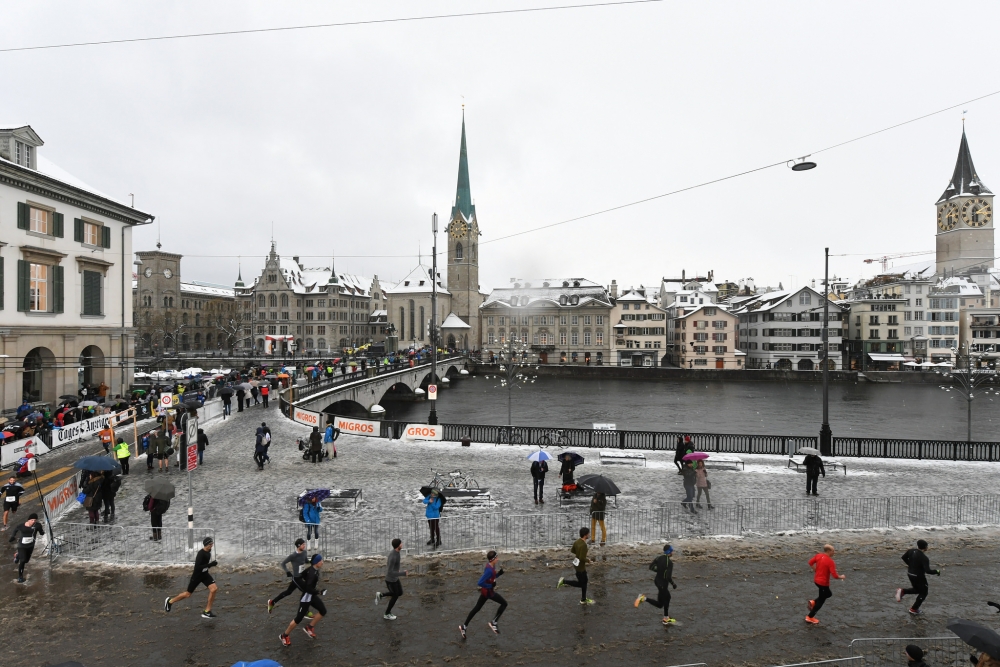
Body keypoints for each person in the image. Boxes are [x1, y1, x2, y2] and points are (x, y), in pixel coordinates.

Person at [279, 554, 326, 646]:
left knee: (323, 611)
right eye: (321, 560)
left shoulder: (312, 570)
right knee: (298, 619)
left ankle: (309, 627)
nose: (322, 562)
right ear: (316, 563)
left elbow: (301, 576)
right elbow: (308, 588)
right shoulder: (312, 573)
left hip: (311, 596)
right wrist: (319, 592)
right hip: (306, 599)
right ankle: (284, 635)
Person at [165, 537, 219, 618]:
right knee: (187, 594)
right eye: (210, 544)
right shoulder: (201, 554)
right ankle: (170, 601)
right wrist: (210, 565)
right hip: (197, 576)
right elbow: (197, 567)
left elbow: (204, 567)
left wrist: (209, 566)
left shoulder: (209, 552)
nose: (212, 545)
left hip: (204, 575)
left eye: (212, 543)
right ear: (206, 545)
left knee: (214, 589)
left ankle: (207, 611)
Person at [458, 550, 507, 638]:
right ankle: (494, 623)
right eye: (496, 558)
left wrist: (499, 574)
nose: (498, 559)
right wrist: (490, 585)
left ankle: (464, 626)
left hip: (485, 591)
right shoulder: (489, 570)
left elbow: (492, 577)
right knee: (504, 603)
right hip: (488, 592)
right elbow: (480, 582)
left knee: (477, 608)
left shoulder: (491, 565)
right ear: (492, 559)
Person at [634, 544, 678, 625]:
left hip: (657, 581)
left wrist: (658, 570)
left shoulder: (659, 558)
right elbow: (668, 576)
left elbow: (651, 567)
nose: (673, 552)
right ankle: (643, 599)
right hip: (663, 584)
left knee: (667, 597)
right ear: (669, 552)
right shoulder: (670, 563)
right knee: (660, 604)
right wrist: (673, 584)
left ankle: (666, 617)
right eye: (672, 551)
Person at [895, 539, 940, 615]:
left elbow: (903, 557)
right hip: (918, 576)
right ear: (925, 547)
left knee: (917, 590)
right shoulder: (924, 558)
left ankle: (903, 591)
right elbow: (927, 571)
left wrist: (911, 565)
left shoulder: (911, 551)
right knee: (924, 592)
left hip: (910, 574)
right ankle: (914, 609)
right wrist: (936, 571)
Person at [806, 543, 845, 625]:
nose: (834, 552)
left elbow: (810, 562)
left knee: (828, 594)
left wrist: (815, 569)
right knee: (821, 600)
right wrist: (841, 577)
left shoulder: (818, 556)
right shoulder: (830, 562)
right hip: (823, 583)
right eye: (833, 551)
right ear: (828, 551)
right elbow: (834, 576)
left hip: (816, 581)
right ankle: (810, 617)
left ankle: (813, 602)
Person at [268, 538, 310, 613]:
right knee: (306, 592)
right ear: (299, 545)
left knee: (288, 592)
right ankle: (305, 611)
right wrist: (287, 572)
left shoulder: (304, 553)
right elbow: (283, 563)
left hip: (302, 576)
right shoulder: (293, 556)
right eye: (303, 544)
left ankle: (272, 602)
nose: (305, 546)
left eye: (305, 544)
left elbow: (305, 560)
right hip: (297, 578)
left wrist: (312, 562)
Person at [557, 527, 594, 605]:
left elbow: (572, 550)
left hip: (576, 564)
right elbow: (582, 558)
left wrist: (579, 554)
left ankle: (583, 599)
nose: (589, 535)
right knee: (582, 583)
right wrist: (588, 560)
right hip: (581, 567)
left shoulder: (577, 541)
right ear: (585, 535)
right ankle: (564, 581)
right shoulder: (584, 545)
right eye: (588, 533)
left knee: (585, 581)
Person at [375, 537, 407, 620]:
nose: (402, 544)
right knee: (395, 595)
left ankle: (381, 595)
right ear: (397, 546)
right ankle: (387, 613)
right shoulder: (393, 556)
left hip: (395, 578)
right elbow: (390, 572)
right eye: (401, 543)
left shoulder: (397, 552)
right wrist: (402, 573)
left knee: (399, 593)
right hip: (390, 580)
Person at [8, 513, 44, 583]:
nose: (33, 521)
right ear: (28, 520)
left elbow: (41, 532)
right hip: (22, 545)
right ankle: (20, 577)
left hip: (30, 545)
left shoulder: (37, 525)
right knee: (23, 560)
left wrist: (42, 532)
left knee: (26, 560)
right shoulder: (22, 526)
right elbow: (15, 529)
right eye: (32, 520)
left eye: (35, 520)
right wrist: (13, 536)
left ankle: (17, 555)